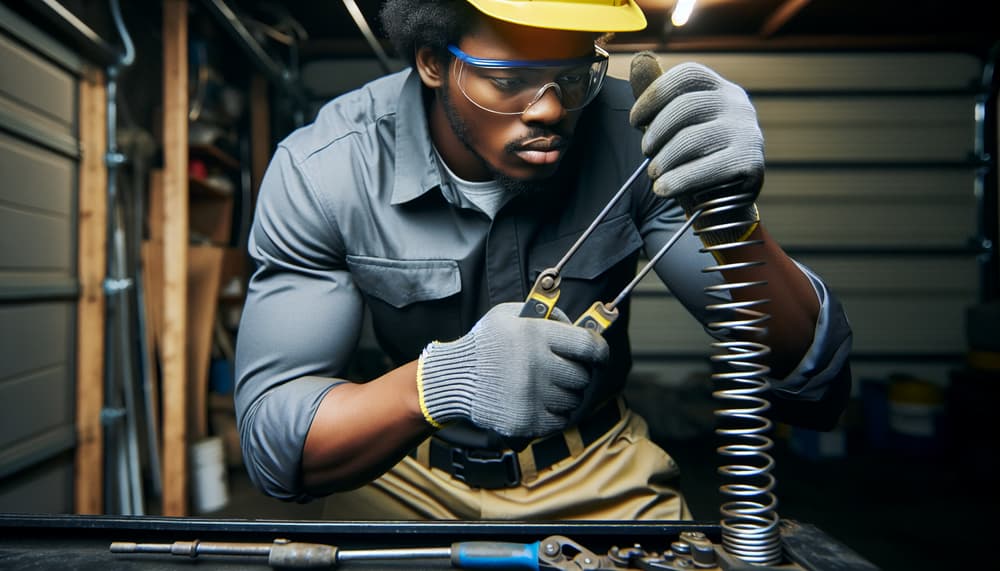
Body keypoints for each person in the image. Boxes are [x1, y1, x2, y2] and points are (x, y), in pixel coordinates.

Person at [234, 0, 852, 521]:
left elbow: (815, 383)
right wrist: (438, 385)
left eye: (575, 74)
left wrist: (731, 218)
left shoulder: (639, 133)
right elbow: (273, 446)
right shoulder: (327, 169)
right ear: (432, 61)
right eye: (509, 80)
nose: (551, 109)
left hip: (597, 465)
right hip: (406, 474)